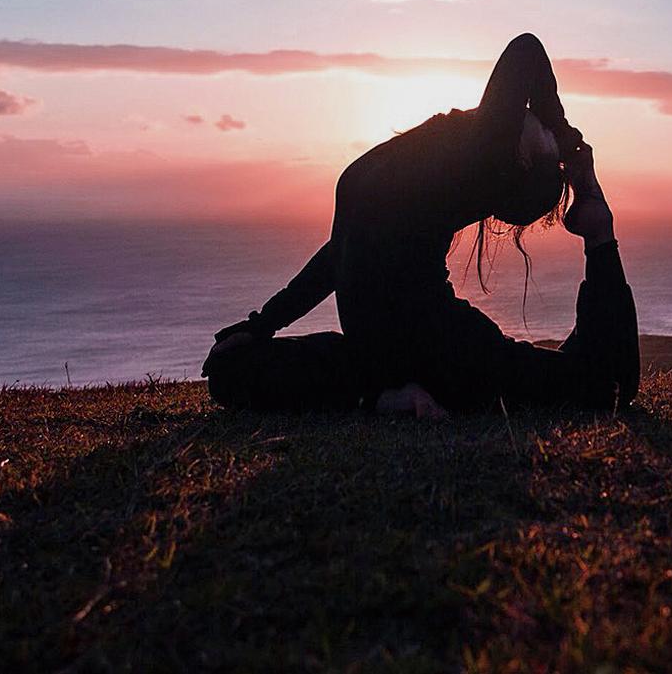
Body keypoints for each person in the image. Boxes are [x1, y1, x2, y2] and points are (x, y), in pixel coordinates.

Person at [201, 33, 639, 416]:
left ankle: (599, 233)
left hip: (445, 349)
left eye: (544, 137)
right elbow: (345, 248)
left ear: (519, 159)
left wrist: (563, 136)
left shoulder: (482, 157)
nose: (542, 122)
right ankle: (379, 394)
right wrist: (263, 323)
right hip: (379, 354)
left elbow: (525, 50)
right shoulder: (439, 151)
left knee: (602, 387)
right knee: (226, 368)